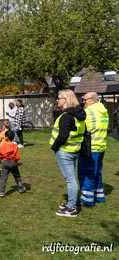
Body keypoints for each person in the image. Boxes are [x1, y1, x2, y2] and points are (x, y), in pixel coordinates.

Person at [50, 89, 86, 217]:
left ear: (66, 100)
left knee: (70, 180)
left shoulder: (66, 116)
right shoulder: (79, 113)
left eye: (59, 98)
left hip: (65, 151)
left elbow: (63, 135)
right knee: (72, 179)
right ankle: (72, 202)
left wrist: (55, 147)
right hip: (74, 150)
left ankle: (71, 208)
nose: (57, 100)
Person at [78, 92, 109, 207]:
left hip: (90, 148)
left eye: (85, 100)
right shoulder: (103, 111)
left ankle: (87, 199)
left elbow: (84, 128)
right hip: (101, 146)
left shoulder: (89, 111)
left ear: (93, 100)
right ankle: (99, 196)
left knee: (87, 173)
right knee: (97, 173)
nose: (83, 102)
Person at [0, 130, 26, 198]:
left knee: (3, 178)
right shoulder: (15, 146)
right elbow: (17, 156)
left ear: (6, 137)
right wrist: (14, 161)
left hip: (5, 163)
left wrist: (3, 159)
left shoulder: (3, 145)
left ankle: (2, 192)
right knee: (17, 176)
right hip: (13, 163)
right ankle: (20, 188)